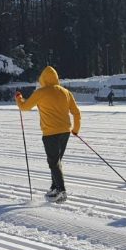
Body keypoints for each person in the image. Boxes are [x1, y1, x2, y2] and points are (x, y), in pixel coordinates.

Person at [15, 66, 81, 202]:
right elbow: (76, 113)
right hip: (65, 132)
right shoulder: (65, 92)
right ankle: (54, 188)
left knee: (53, 162)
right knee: (56, 161)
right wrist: (75, 129)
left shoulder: (41, 92)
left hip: (50, 133)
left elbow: (24, 107)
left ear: (43, 79)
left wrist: (19, 98)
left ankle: (61, 191)